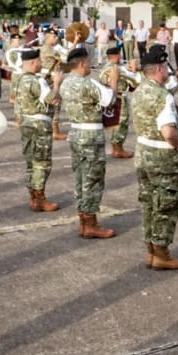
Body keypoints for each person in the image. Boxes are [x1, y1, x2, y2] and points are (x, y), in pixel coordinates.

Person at [132, 45, 178, 270]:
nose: (168, 71)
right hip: (161, 156)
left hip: (143, 152)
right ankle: (162, 253)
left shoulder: (140, 90)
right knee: (166, 205)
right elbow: (168, 132)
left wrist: (177, 111)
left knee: (148, 202)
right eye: (165, 67)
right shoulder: (162, 95)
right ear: (158, 69)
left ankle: (150, 249)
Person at [60, 46, 119, 239]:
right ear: (83, 63)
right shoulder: (87, 83)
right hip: (91, 135)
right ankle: (91, 223)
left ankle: (83, 221)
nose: (90, 67)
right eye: (88, 63)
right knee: (93, 180)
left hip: (76, 133)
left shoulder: (65, 83)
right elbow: (108, 100)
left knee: (80, 178)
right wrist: (114, 81)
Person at [14, 48, 61, 211]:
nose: (41, 64)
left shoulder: (20, 79)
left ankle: (33, 196)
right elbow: (52, 99)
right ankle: (39, 198)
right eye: (39, 61)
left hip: (26, 122)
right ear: (33, 63)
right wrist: (56, 83)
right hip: (40, 125)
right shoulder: (37, 80)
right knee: (42, 162)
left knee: (30, 162)